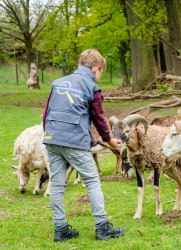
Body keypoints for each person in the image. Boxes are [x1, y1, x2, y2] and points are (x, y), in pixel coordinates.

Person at [42, 49, 124, 242]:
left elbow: (46, 114)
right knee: (92, 180)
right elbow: (99, 118)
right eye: (101, 72)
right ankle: (102, 227)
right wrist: (110, 140)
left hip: (52, 138)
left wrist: (50, 134)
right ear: (96, 69)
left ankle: (60, 229)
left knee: (58, 184)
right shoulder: (91, 87)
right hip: (74, 141)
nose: (100, 76)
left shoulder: (57, 83)